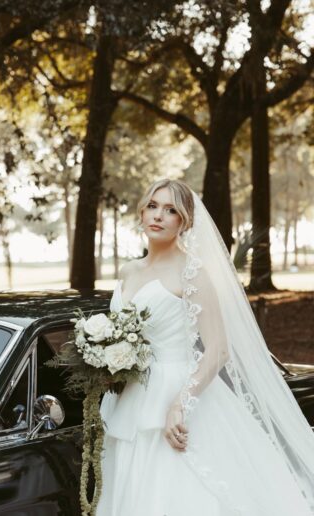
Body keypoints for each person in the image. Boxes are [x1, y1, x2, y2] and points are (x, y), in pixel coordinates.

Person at [96, 179, 314, 516]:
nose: (158, 215)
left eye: (171, 210)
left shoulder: (192, 273)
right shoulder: (129, 271)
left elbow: (218, 350)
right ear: (142, 212)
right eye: (153, 206)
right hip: (130, 399)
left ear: (184, 222)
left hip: (178, 393)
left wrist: (179, 405)